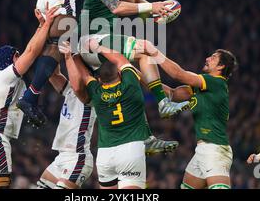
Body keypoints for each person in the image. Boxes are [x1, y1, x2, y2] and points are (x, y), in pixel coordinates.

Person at [78, 0, 189, 119]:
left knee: (139, 65)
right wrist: (151, 7)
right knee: (146, 46)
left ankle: (157, 113)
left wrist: (156, 12)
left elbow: (136, 0)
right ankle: (165, 99)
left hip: (101, 44)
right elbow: (116, 7)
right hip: (92, 42)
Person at [59, 41, 178, 189]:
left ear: (99, 80)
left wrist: (71, 57)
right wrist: (99, 47)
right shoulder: (130, 84)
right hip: (131, 150)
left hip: (105, 155)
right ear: (121, 74)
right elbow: (120, 59)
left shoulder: (96, 91)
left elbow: (78, 84)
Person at [0, 5, 58, 189]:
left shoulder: (8, 80)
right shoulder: (6, 75)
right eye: (17, 54)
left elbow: (31, 49)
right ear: (12, 59)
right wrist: (48, 23)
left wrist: (42, 26)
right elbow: (32, 51)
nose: (21, 56)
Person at [137, 40, 238, 189]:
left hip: (215, 150)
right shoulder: (201, 88)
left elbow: (178, 74)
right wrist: (136, 74)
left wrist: (154, 52)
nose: (207, 58)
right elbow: (171, 93)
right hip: (202, 150)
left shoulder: (216, 82)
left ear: (221, 66)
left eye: (213, 57)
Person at [37, 58, 96, 189]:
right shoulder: (71, 90)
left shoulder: (92, 93)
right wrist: (56, 49)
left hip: (78, 157)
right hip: (62, 156)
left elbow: (77, 86)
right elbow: (53, 74)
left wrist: (69, 56)